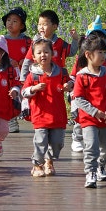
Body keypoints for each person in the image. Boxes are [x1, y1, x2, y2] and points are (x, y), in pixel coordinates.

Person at [72, 34, 106, 188]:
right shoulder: (82, 76)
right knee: (91, 146)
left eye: (104, 52)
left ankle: (101, 165)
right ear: (88, 54)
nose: (104, 56)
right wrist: (94, 112)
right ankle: (90, 172)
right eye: (100, 52)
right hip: (89, 119)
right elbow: (78, 98)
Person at [22, 39, 73, 177]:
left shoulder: (60, 72)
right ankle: (37, 164)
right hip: (40, 115)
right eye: (39, 52)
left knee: (57, 143)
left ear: (52, 53)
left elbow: (70, 83)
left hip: (58, 115)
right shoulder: (33, 75)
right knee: (40, 141)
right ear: (33, 56)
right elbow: (24, 92)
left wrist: (69, 85)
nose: (43, 55)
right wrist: (34, 88)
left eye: (46, 51)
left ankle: (49, 161)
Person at [69, 16, 106, 153]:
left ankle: (100, 142)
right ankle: (77, 137)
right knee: (79, 115)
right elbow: (74, 75)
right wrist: (71, 86)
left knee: (102, 118)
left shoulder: (105, 58)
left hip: (100, 94)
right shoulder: (82, 59)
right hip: (82, 92)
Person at [19, 9, 79, 82]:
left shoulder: (59, 43)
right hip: (39, 77)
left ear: (54, 27)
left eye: (44, 24)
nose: (41, 27)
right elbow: (28, 61)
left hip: (56, 77)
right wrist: (23, 78)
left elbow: (71, 52)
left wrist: (75, 39)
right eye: (39, 24)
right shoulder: (35, 44)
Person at [2, 7, 31, 133]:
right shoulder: (2, 40)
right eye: (8, 20)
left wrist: (25, 60)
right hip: (8, 73)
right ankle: (11, 119)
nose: (10, 23)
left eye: (15, 21)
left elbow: (32, 53)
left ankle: (30, 115)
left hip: (23, 73)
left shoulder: (27, 41)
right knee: (10, 95)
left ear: (22, 25)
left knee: (24, 95)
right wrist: (8, 60)